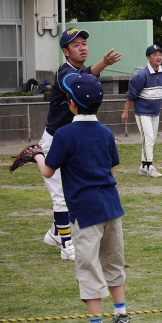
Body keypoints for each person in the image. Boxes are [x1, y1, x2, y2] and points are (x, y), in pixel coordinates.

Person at [34, 73, 131, 323]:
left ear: (71, 105)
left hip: (84, 211)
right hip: (111, 206)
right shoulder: (105, 132)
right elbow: (111, 169)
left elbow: (49, 170)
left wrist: (37, 154)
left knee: (88, 266)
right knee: (112, 260)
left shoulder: (64, 134)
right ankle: (121, 313)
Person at [41, 27, 122, 261]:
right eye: (75, 45)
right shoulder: (64, 73)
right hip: (56, 138)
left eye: (84, 43)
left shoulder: (80, 72)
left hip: (73, 139)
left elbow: (85, 76)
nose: (82, 47)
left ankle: (57, 233)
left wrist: (102, 64)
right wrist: (101, 64)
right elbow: (79, 82)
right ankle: (67, 244)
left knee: (74, 190)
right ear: (65, 52)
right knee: (61, 196)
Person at [120, 44, 162, 178]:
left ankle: (143, 166)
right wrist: (126, 112)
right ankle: (149, 166)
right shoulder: (142, 76)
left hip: (155, 112)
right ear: (148, 58)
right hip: (142, 112)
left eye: (160, 54)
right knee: (148, 138)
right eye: (155, 54)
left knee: (151, 139)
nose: (158, 57)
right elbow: (131, 95)